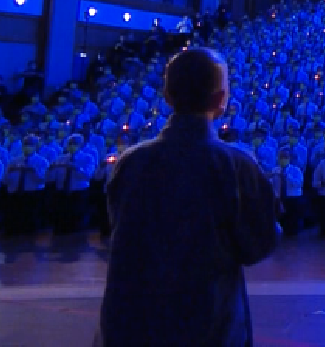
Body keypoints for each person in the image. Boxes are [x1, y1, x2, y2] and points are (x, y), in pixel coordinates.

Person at [97, 47, 281, 347]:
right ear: (220, 100)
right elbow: (258, 246)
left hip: (132, 325)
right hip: (207, 326)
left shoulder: (130, 162)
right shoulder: (235, 165)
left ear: (167, 95)